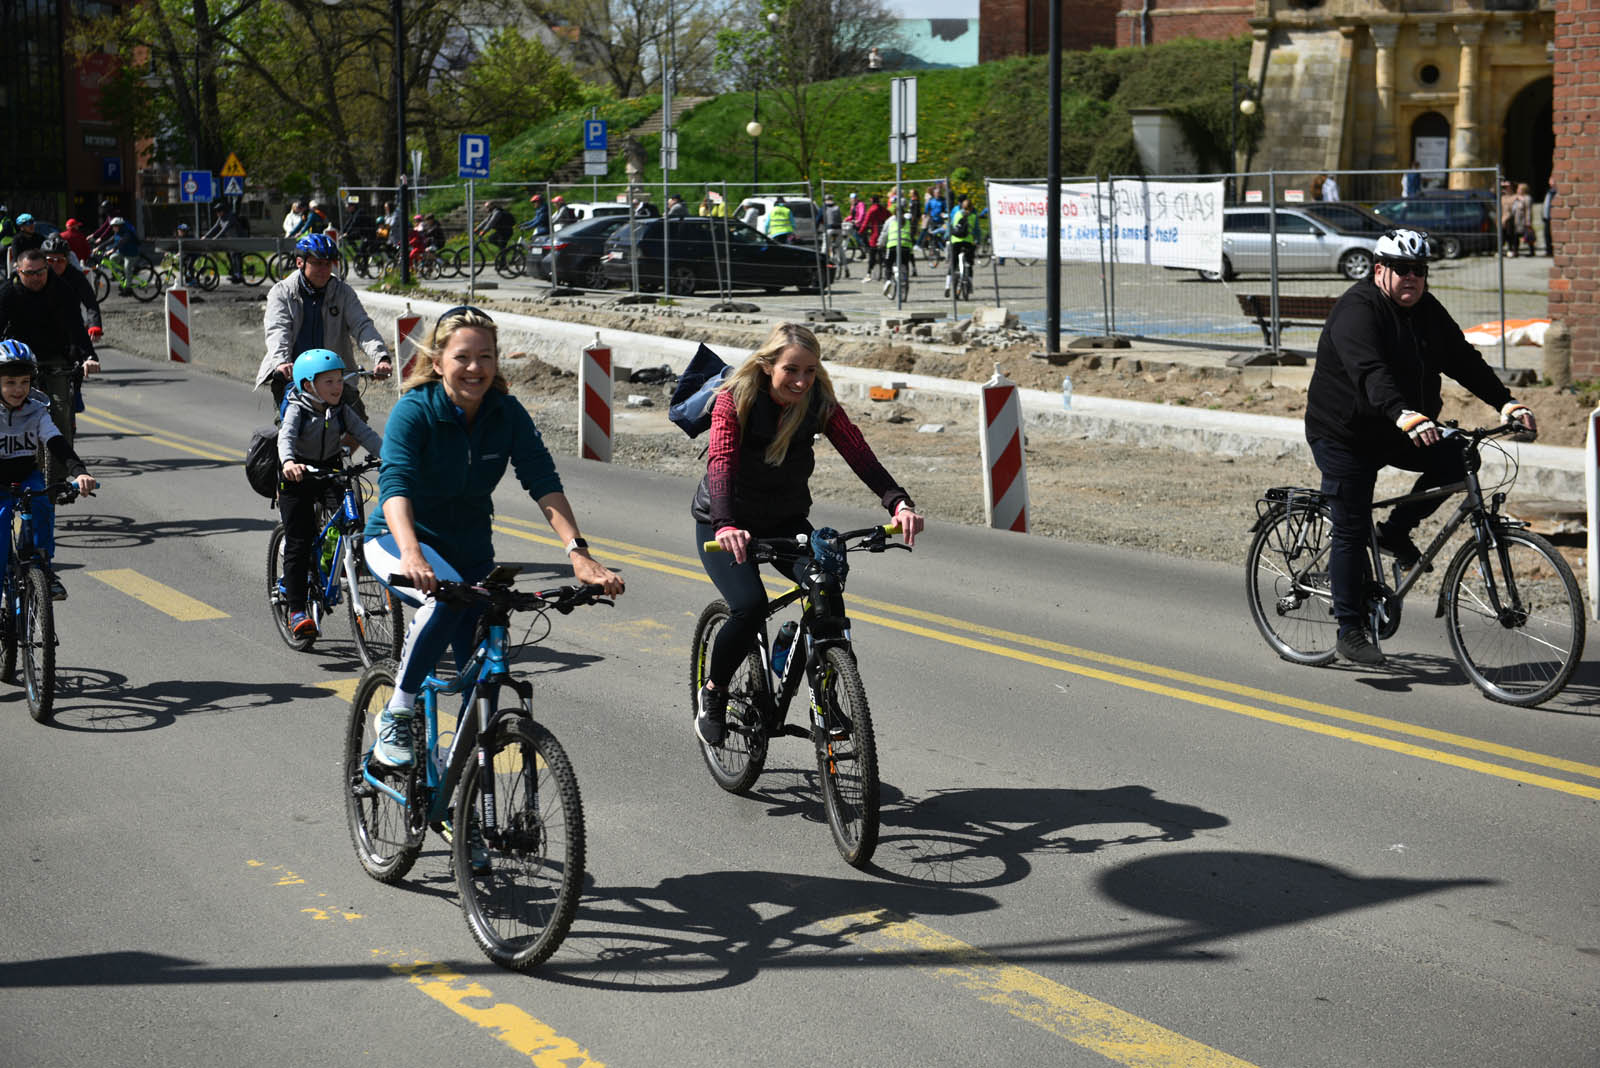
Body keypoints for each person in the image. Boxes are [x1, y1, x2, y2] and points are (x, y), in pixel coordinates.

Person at [361, 305, 624, 766]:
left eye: (486, 357)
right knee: (442, 601)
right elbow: (395, 486)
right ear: (439, 361)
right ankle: (398, 713)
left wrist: (579, 554)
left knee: (479, 666)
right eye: (463, 357)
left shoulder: (506, 413)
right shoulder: (414, 411)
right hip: (396, 541)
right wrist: (412, 553)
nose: (475, 368)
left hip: (471, 554)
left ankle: (462, 776)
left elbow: (542, 480)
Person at [1305, 228, 1535, 667]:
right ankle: (1349, 630)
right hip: (1344, 433)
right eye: (1402, 269)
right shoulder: (1357, 311)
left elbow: (1463, 359)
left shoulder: (1427, 310)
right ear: (1379, 270)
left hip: (1402, 424)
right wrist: (1403, 412)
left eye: (1420, 270)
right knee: (1351, 525)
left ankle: (1394, 531)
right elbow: (1369, 371)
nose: (1412, 277)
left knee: (1457, 459)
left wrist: (1506, 401)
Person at [690, 322, 923, 745]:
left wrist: (898, 502)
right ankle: (715, 693)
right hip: (725, 524)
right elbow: (721, 462)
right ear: (767, 366)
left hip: (784, 521)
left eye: (810, 371)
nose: (801, 380)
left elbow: (858, 452)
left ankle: (821, 684)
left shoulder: (816, 402)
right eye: (791, 370)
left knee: (825, 587)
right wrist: (726, 524)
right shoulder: (734, 400)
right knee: (749, 605)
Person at [276, 348, 384, 639]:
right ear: (309, 385)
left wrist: (391, 457)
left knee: (347, 522)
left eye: (339, 380)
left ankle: (328, 565)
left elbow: (365, 434)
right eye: (329, 382)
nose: (338, 387)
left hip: (330, 471)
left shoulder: (340, 410)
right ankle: (297, 609)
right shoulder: (298, 407)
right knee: (299, 541)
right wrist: (288, 463)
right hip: (297, 475)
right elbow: (286, 436)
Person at [0, 340, 98, 600]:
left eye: (24, 381)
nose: (18, 389)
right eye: (10, 382)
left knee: (42, 502)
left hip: (25, 475)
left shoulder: (37, 409)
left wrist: (80, 472)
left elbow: (56, 441)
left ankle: (43, 567)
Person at [259, 232, 392, 419]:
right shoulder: (281, 292)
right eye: (317, 263)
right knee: (295, 431)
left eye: (328, 264)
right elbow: (278, 330)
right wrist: (281, 362)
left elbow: (362, 326)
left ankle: (341, 450)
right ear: (300, 262)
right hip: (294, 378)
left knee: (358, 424)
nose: (324, 269)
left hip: (334, 378)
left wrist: (382, 357)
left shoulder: (343, 293)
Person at [0, 248, 98, 491]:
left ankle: (58, 479)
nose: (36, 278)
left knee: (59, 409)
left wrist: (88, 356)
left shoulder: (62, 290)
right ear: (18, 271)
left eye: (40, 272)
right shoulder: (8, 293)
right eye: (29, 273)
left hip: (55, 359)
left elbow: (77, 326)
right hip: (18, 361)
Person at [41, 234, 101, 342]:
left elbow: (90, 302)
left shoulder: (76, 276)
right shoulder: (36, 275)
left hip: (71, 326)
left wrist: (94, 325)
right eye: (50, 261)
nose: (55, 265)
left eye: (60, 261)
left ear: (67, 260)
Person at [203, 202, 246, 283]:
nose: (217, 213)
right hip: (231, 240)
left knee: (235, 255)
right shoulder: (220, 218)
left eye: (218, 211)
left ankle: (239, 275)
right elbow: (215, 228)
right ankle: (234, 273)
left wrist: (216, 238)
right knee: (229, 254)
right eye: (216, 211)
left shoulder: (230, 217)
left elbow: (224, 229)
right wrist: (205, 236)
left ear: (223, 211)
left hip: (239, 238)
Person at [945, 194, 976, 295]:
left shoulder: (957, 214)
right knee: (969, 264)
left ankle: (947, 286)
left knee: (953, 264)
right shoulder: (973, 216)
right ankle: (970, 285)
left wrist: (947, 237)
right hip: (968, 242)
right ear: (971, 207)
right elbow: (977, 231)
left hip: (956, 241)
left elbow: (951, 226)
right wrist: (978, 241)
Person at [878, 208, 914, 295]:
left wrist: (880, 243)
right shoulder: (908, 221)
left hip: (892, 246)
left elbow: (884, 234)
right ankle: (905, 280)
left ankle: (888, 280)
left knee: (888, 264)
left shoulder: (890, 221)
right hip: (906, 246)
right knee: (905, 265)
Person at [105, 217, 143, 295]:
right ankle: (122, 274)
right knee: (112, 258)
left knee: (127, 267)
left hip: (131, 254)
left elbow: (122, 242)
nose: (112, 228)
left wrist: (113, 250)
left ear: (119, 226)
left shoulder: (127, 233)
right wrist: (98, 247)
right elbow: (110, 240)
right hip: (123, 253)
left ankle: (128, 289)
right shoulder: (118, 233)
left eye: (114, 226)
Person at [861, 194, 889, 279]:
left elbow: (866, 221)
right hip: (884, 233)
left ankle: (868, 274)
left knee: (872, 255)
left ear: (872, 200)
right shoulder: (883, 209)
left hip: (875, 234)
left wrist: (861, 231)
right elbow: (890, 216)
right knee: (884, 252)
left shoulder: (872, 209)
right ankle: (887, 271)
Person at [822, 194, 847, 278]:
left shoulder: (824, 207)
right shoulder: (837, 207)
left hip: (829, 229)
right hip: (839, 230)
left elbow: (818, 219)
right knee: (840, 247)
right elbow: (840, 219)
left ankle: (822, 266)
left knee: (824, 247)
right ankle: (846, 268)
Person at [1512, 182, 1535, 257]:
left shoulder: (1527, 198)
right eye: (1517, 188)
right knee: (1516, 236)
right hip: (1517, 221)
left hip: (1524, 221)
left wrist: (1528, 222)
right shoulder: (1516, 198)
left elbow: (1528, 210)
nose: (1517, 190)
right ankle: (1515, 251)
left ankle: (1532, 251)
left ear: (1523, 190)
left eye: (1519, 189)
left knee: (1528, 236)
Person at [1498, 180, 1518, 257]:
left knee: (1510, 234)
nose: (1504, 188)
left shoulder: (1515, 197)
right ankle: (1502, 250)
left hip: (1511, 219)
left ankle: (1511, 249)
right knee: (1502, 235)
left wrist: (1506, 219)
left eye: (1506, 187)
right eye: (1503, 187)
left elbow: (1513, 210)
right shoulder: (1502, 197)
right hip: (1502, 219)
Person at [1542, 177, 1556, 257]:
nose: (1550, 182)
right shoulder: (1549, 191)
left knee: (1551, 234)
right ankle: (1549, 251)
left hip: (1552, 216)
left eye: (1552, 180)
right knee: (1546, 234)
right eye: (1550, 180)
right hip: (1546, 216)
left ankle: (1552, 251)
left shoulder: (1555, 192)